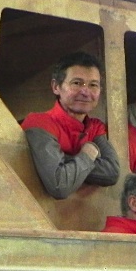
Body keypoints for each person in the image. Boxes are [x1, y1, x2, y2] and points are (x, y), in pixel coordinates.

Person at [20, 52, 120, 199]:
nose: (85, 92)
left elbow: (112, 172)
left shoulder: (95, 127)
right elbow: (59, 185)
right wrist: (87, 155)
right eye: (77, 83)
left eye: (93, 85)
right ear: (56, 87)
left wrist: (65, 162)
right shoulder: (39, 123)